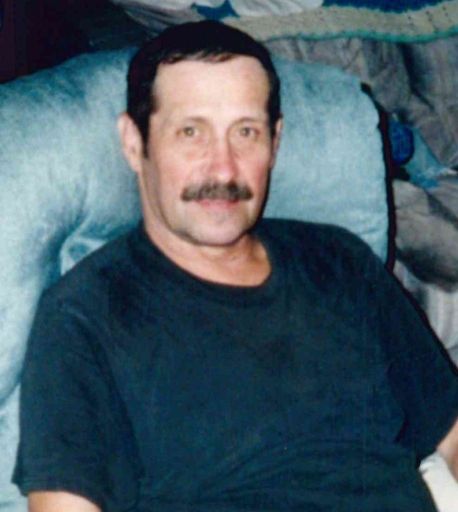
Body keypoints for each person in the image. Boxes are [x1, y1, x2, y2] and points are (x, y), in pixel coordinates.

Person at [13, 20, 458, 512]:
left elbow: (452, 431)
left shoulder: (339, 262)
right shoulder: (85, 316)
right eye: (191, 132)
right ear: (134, 142)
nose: (223, 169)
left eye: (246, 132)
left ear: (275, 141)